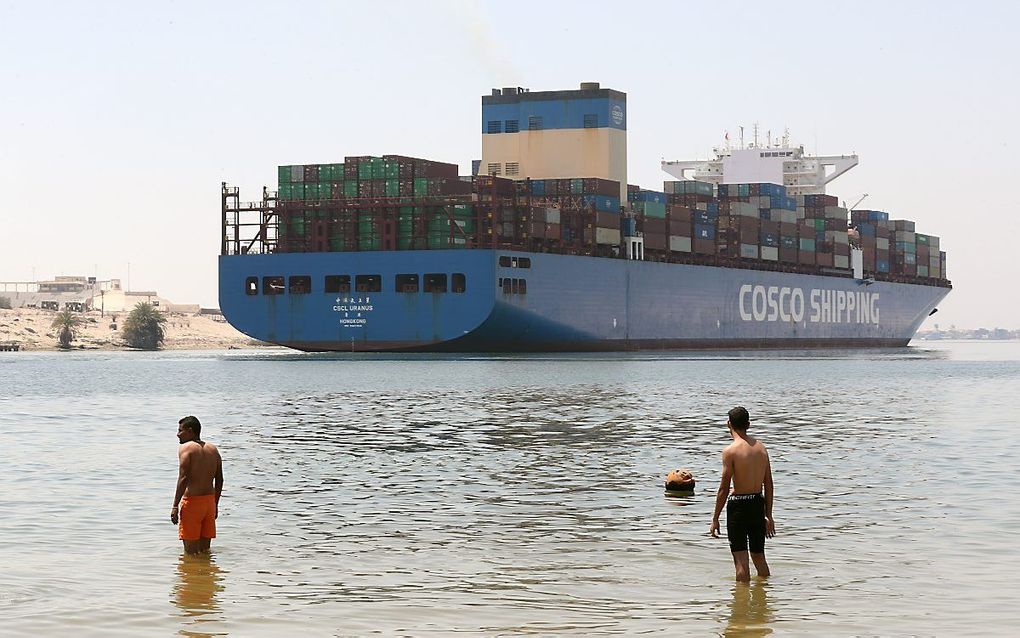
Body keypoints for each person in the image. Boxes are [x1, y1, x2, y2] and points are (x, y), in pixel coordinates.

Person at [709, 406, 775, 582]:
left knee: (741, 562)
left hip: (738, 506)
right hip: (756, 504)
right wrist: (768, 515)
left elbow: (724, 488)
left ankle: (740, 607)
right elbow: (768, 483)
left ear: (728, 424)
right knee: (759, 557)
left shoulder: (730, 451)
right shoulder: (761, 448)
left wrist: (715, 518)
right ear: (749, 424)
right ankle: (764, 600)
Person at [170, 416, 223, 555]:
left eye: (180, 430)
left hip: (193, 504)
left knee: (190, 554)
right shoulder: (213, 449)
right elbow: (220, 480)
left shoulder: (186, 448)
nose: (177, 434)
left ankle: (193, 576)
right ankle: (206, 575)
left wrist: (175, 506)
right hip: (209, 504)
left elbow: (183, 478)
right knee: (205, 551)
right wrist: (215, 504)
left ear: (190, 431)